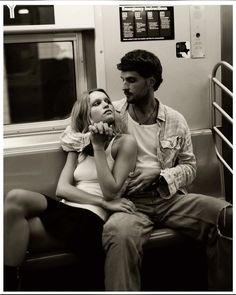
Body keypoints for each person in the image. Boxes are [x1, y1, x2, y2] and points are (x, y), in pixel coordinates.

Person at [60, 50, 232, 291]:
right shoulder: (113, 112)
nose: (124, 87)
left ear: (150, 81)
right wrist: (91, 137)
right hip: (129, 202)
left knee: (228, 216)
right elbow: (70, 133)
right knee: (118, 235)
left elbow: (190, 167)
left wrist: (161, 175)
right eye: (122, 80)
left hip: (168, 197)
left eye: (131, 80)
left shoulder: (175, 120)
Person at [4, 88, 137, 291]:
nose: (106, 105)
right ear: (88, 117)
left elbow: (111, 192)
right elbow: (62, 189)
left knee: (9, 233)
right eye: (97, 103)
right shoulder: (78, 146)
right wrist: (102, 201)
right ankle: (11, 284)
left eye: (106, 101)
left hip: (90, 220)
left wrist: (99, 147)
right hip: (68, 209)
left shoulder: (124, 142)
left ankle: (9, 284)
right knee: (14, 198)